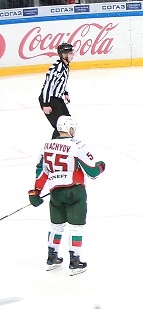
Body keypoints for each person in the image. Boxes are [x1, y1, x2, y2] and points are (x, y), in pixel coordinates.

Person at [28, 115, 105, 275]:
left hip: (55, 192)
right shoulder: (77, 145)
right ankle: (75, 262)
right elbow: (92, 172)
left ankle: (52, 258)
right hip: (75, 191)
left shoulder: (46, 145)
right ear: (70, 129)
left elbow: (41, 170)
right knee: (76, 228)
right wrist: (101, 166)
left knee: (56, 226)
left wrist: (36, 191)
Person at [39, 41, 75, 139]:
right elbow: (47, 86)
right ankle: (54, 146)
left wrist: (65, 93)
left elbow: (62, 81)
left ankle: (64, 144)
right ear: (64, 55)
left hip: (57, 99)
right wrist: (46, 104)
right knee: (60, 127)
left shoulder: (65, 65)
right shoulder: (57, 68)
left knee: (68, 123)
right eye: (70, 53)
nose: (73, 55)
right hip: (49, 99)